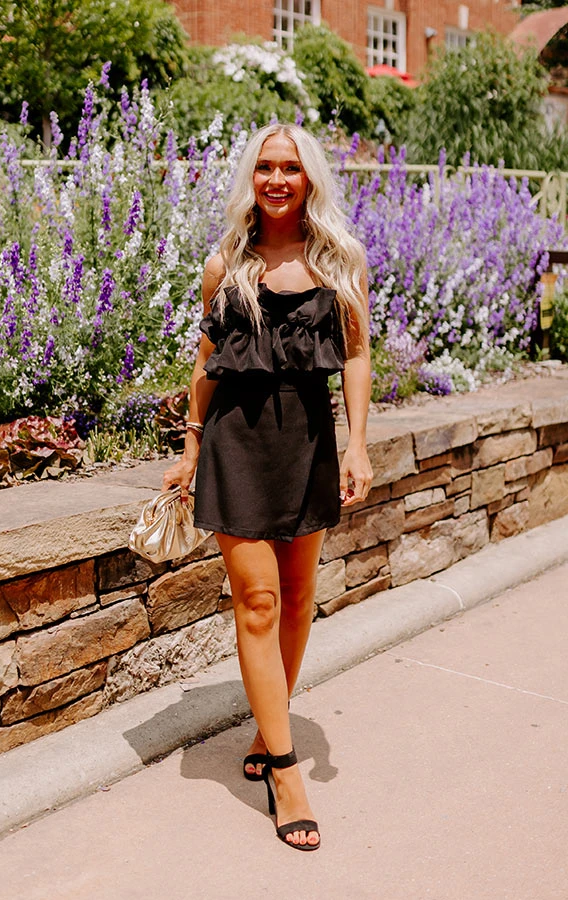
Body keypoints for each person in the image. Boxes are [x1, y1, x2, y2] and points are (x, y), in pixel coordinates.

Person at [162, 122, 373, 851]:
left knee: (299, 597)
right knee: (258, 602)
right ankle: (284, 773)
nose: (277, 179)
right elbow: (206, 360)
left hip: (307, 442)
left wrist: (358, 445)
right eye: (265, 167)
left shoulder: (340, 259)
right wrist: (190, 448)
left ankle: (267, 726)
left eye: (290, 168)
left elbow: (356, 354)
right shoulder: (227, 262)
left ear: (309, 177)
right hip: (237, 445)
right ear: (251, 178)